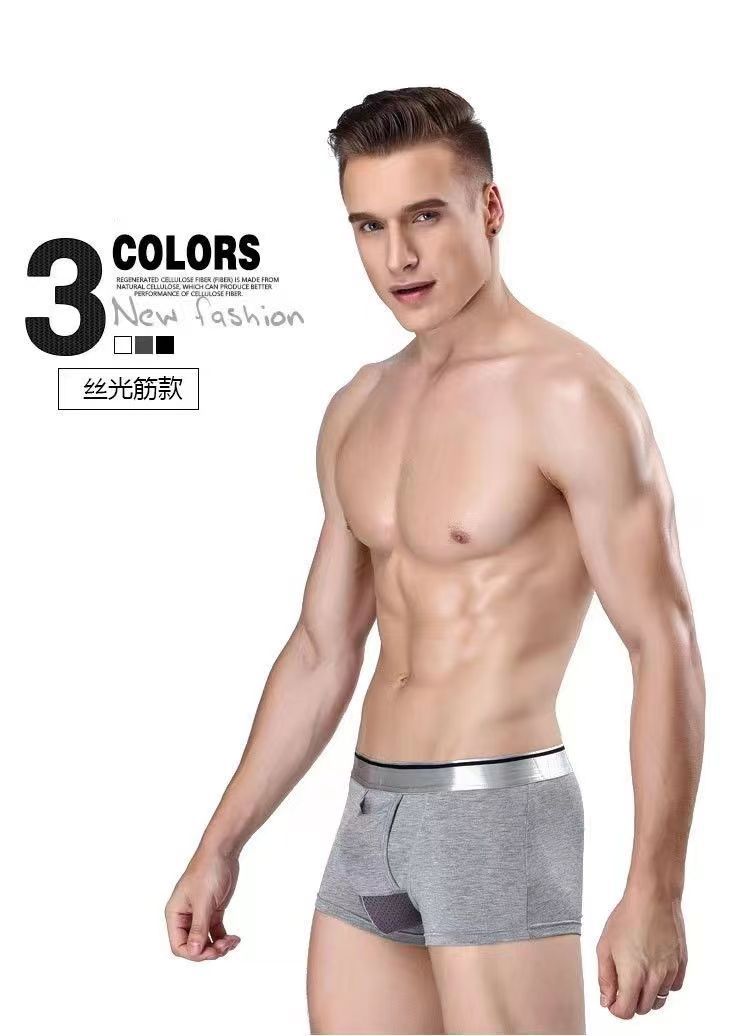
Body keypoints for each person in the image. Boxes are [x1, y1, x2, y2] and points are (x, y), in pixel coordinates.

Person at [164, 86, 705, 1035]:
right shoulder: (358, 406)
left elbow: (663, 645)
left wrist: (656, 889)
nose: (397, 258)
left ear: (489, 208)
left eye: (424, 216)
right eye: (368, 226)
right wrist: (221, 842)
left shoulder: (572, 397)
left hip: (497, 812)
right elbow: (322, 649)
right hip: (369, 818)